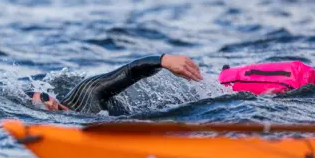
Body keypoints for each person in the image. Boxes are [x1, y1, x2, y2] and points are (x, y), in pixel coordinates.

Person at [26, 54, 203, 115]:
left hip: (174, 107)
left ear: (49, 94)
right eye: (40, 106)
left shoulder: (85, 93)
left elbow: (131, 71)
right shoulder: (69, 127)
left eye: (44, 97)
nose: (47, 104)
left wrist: (163, 60)